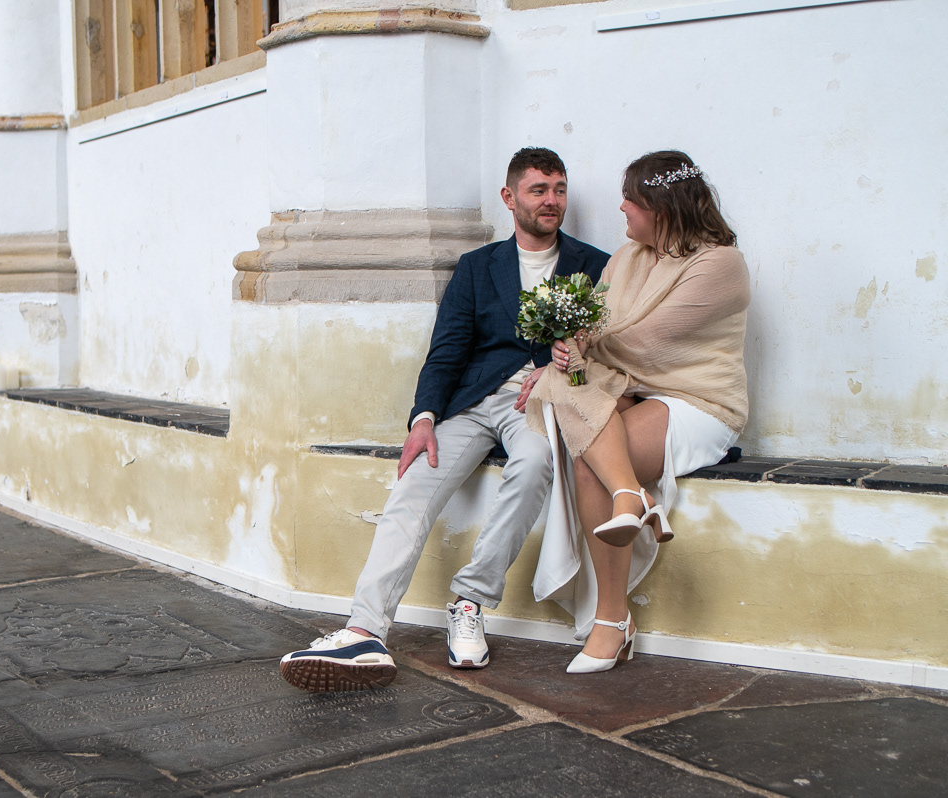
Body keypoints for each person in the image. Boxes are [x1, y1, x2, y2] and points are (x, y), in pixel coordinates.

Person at [279, 148, 610, 691]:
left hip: (538, 404)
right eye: (538, 190)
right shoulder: (477, 267)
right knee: (415, 483)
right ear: (509, 198)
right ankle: (364, 630)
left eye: (559, 189)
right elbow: (447, 349)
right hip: (472, 403)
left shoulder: (594, 266)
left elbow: (607, 350)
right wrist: (424, 417)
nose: (551, 200)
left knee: (535, 464)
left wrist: (562, 366)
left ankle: (470, 602)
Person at [518, 150, 749, 673]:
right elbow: (594, 325)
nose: (621, 208)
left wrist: (577, 351)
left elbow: (645, 344)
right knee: (575, 403)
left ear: (661, 208)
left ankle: (610, 619)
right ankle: (632, 497)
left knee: (587, 454)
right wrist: (567, 350)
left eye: (631, 200)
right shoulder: (626, 258)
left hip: (696, 400)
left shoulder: (720, 264)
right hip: (628, 389)